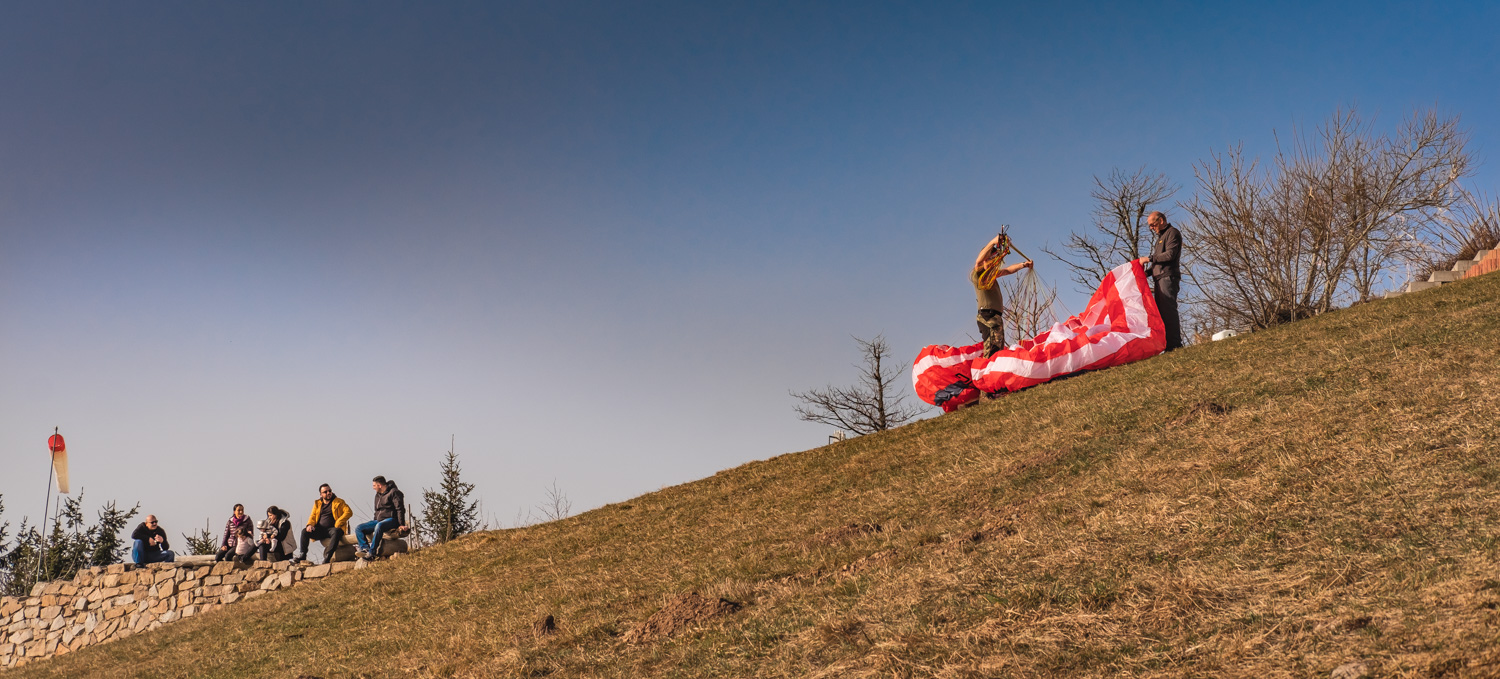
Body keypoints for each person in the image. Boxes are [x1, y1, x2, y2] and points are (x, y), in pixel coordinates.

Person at [971, 234, 1034, 357]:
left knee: (998, 350)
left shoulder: (992, 275)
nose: (991, 262)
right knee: (992, 350)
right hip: (987, 316)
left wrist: (1024, 265)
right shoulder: (978, 274)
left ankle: (994, 373)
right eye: (989, 259)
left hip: (996, 317)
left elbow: (1008, 270)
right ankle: (986, 373)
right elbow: (978, 262)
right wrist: (993, 242)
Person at [1135, 211, 1183, 351]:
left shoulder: (1172, 233)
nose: (1151, 228)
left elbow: (1169, 255)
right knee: (1162, 313)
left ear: (1161, 220)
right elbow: (1157, 262)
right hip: (1159, 278)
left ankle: (1175, 345)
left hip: (1168, 277)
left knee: (1168, 310)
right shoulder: (1160, 238)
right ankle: (1168, 344)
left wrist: (1149, 258)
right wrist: (1144, 273)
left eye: (1152, 225)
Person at [296, 483, 352, 565]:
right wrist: (309, 525)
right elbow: (313, 516)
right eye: (325, 492)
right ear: (321, 494)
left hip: (333, 529)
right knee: (305, 531)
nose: (328, 493)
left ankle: (328, 557)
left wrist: (339, 522)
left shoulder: (339, 502)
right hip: (320, 530)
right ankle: (302, 554)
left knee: (336, 532)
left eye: (330, 491)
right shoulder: (317, 503)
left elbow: (349, 512)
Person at [355, 476, 408, 560]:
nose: (373, 488)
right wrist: (374, 520)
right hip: (378, 520)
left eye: (374, 486)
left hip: (392, 520)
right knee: (359, 528)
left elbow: (400, 509)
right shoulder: (377, 495)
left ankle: (372, 553)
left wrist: (401, 524)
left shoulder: (394, 492)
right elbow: (377, 510)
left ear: (379, 485)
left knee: (379, 526)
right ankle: (365, 549)